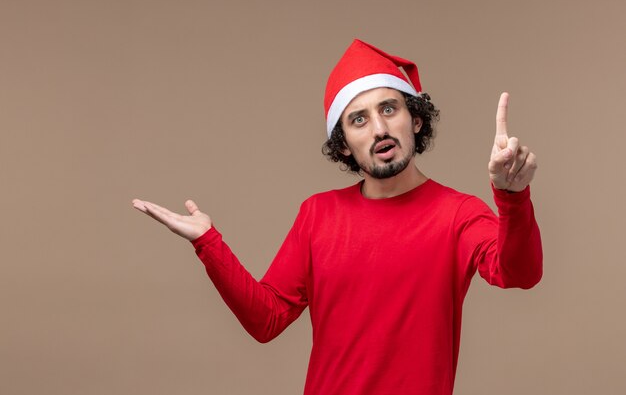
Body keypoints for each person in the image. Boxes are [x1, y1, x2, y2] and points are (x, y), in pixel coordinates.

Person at [132, 39, 542, 395]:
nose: (379, 128)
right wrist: (208, 242)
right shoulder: (318, 215)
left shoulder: (458, 214)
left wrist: (512, 196)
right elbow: (267, 319)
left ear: (415, 119)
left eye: (389, 108)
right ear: (344, 145)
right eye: (359, 119)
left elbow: (519, 272)